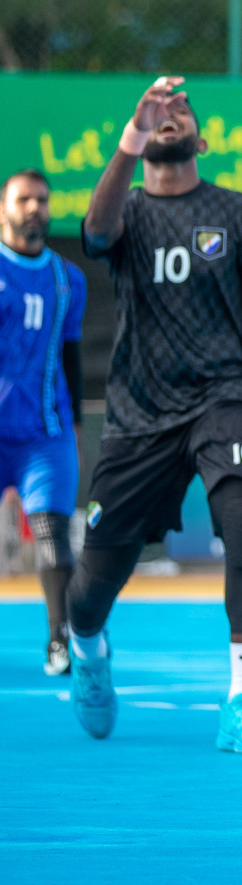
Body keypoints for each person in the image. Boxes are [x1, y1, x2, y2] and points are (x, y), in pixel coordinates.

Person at [67, 75, 242, 754]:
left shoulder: (239, 213)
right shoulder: (127, 210)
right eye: (159, 113)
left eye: (181, 110)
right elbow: (94, 230)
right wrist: (130, 137)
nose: (170, 117)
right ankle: (88, 649)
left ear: (202, 137)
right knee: (90, 589)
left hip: (226, 399)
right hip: (139, 414)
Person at [0, 168, 86, 676]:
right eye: (24, 199)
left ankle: (60, 640)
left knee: (54, 534)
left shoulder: (66, 278)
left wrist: (73, 421)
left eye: (43, 200)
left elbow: (72, 352)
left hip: (44, 434)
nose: (35, 208)